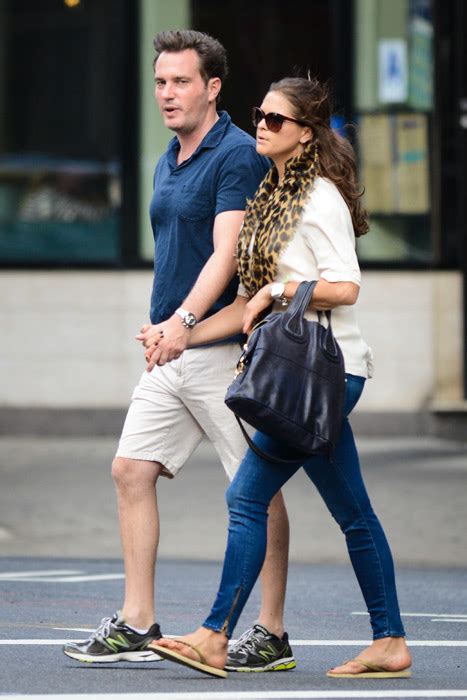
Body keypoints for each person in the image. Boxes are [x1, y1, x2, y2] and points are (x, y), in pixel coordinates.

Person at [148, 76, 413, 679]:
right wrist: (179, 332)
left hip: (323, 373)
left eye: (274, 119)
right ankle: (390, 639)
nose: (261, 126)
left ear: (305, 133)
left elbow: (346, 287)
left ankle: (215, 634)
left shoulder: (318, 197)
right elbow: (248, 308)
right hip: (303, 377)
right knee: (354, 512)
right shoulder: (273, 194)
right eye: (259, 116)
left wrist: (281, 287)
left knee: (246, 496)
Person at [63, 30, 295, 672]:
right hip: (171, 348)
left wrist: (185, 320)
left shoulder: (237, 156)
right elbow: (175, 251)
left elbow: (226, 254)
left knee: (257, 490)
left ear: (213, 87)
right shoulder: (170, 156)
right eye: (161, 82)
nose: (167, 94)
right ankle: (138, 621)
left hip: (220, 348)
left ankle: (270, 631)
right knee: (130, 470)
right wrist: (163, 325)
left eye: (181, 81)